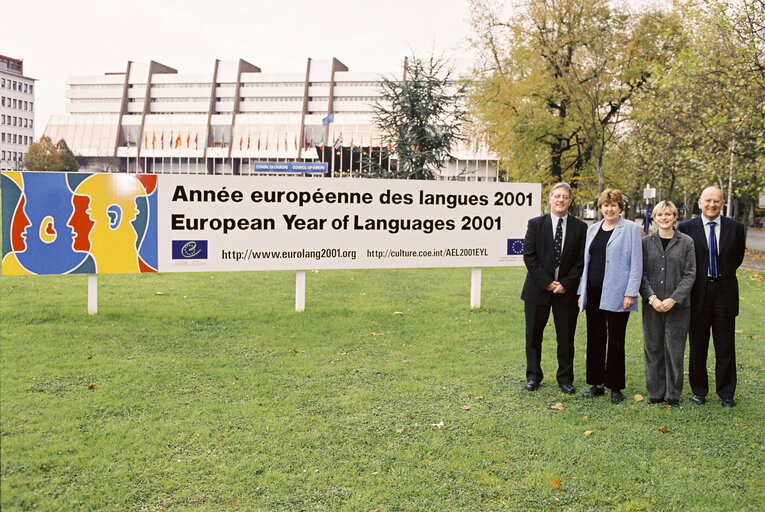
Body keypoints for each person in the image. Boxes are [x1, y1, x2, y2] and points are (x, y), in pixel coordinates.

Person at [678, 187, 746, 407]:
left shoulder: (736, 228)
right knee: (698, 345)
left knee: (725, 346)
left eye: (716, 201)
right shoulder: (686, 228)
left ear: (722, 204)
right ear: (699, 203)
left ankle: (726, 393)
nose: (711, 204)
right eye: (708, 200)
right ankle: (699, 391)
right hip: (698, 293)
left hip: (724, 292)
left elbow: (736, 258)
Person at [520, 183, 587, 394]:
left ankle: (565, 378)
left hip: (565, 293)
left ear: (570, 201)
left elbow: (581, 261)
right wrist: (547, 282)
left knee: (566, 337)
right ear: (549, 199)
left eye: (565, 197)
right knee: (533, 336)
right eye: (557, 196)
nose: (560, 200)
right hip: (538, 290)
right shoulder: (535, 224)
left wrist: (566, 284)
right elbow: (529, 256)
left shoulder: (580, 227)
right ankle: (533, 376)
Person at [578, 188, 642, 404]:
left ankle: (615, 385)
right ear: (601, 208)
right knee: (595, 338)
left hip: (618, 293)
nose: (609, 209)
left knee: (616, 339)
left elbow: (636, 264)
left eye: (613, 205)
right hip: (594, 292)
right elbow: (586, 263)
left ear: (620, 208)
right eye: (606, 205)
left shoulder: (632, 229)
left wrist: (631, 292)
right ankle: (596, 383)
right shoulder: (593, 229)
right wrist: (581, 293)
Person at [639, 201, 696, 406]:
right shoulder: (645, 243)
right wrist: (652, 298)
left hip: (678, 306)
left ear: (675, 217)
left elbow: (690, 274)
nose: (664, 218)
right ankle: (655, 392)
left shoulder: (686, 242)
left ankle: (673, 394)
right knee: (653, 348)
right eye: (660, 215)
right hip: (652, 305)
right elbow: (641, 274)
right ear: (654, 218)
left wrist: (674, 299)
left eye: (668, 214)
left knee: (675, 349)